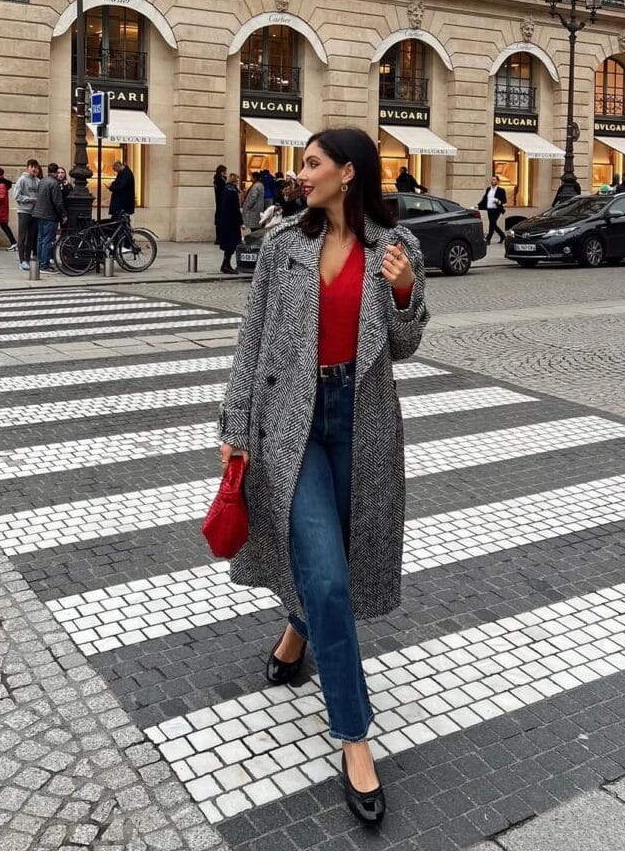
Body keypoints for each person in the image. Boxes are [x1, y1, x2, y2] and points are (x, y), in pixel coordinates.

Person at [218, 127, 428, 826]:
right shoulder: (283, 244)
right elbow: (250, 341)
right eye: (301, 164)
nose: (299, 174)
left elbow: (403, 345)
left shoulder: (395, 248)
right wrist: (234, 429)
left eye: (311, 164)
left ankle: (296, 635)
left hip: (360, 421)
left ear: (348, 172)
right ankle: (354, 735)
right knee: (328, 574)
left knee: (331, 556)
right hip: (292, 423)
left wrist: (404, 293)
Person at [32, 163, 67, 272]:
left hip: (39, 213)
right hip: (49, 215)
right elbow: (57, 201)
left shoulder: (42, 181)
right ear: (56, 172)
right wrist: (63, 215)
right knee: (48, 240)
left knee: (40, 239)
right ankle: (44, 265)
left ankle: (39, 262)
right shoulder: (54, 183)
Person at [12, 159, 41, 271]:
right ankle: (22, 260)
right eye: (32, 166)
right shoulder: (22, 180)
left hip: (34, 212)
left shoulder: (38, 181)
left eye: (36, 167)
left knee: (31, 237)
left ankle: (27, 259)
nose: (34, 169)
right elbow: (16, 195)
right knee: (22, 236)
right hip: (24, 211)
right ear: (27, 167)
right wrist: (30, 199)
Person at [217, 172, 243, 274]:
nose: (238, 182)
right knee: (231, 244)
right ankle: (226, 265)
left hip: (226, 221)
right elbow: (235, 209)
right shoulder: (232, 192)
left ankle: (225, 264)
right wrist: (240, 221)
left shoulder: (226, 190)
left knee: (229, 245)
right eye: (237, 180)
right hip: (232, 223)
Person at [478, 173, 507, 243]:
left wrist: (498, 201)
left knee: (492, 223)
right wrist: (478, 205)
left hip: (497, 210)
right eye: (492, 180)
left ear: (497, 181)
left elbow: (504, 200)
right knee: (493, 224)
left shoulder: (501, 190)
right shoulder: (488, 189)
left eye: (494, 180)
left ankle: (488, 239)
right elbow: (484, 199)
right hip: (489, 209)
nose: (492, 181)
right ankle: (502, 235)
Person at [213, 164, 227, 243]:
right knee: (220, 220)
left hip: (219, 203)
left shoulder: (217, 179)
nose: (225, 173)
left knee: (219, 220)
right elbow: (223, 191)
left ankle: (219, 238)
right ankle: (219, 238)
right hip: (221, 202)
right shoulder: (220, 180)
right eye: (224, 171)